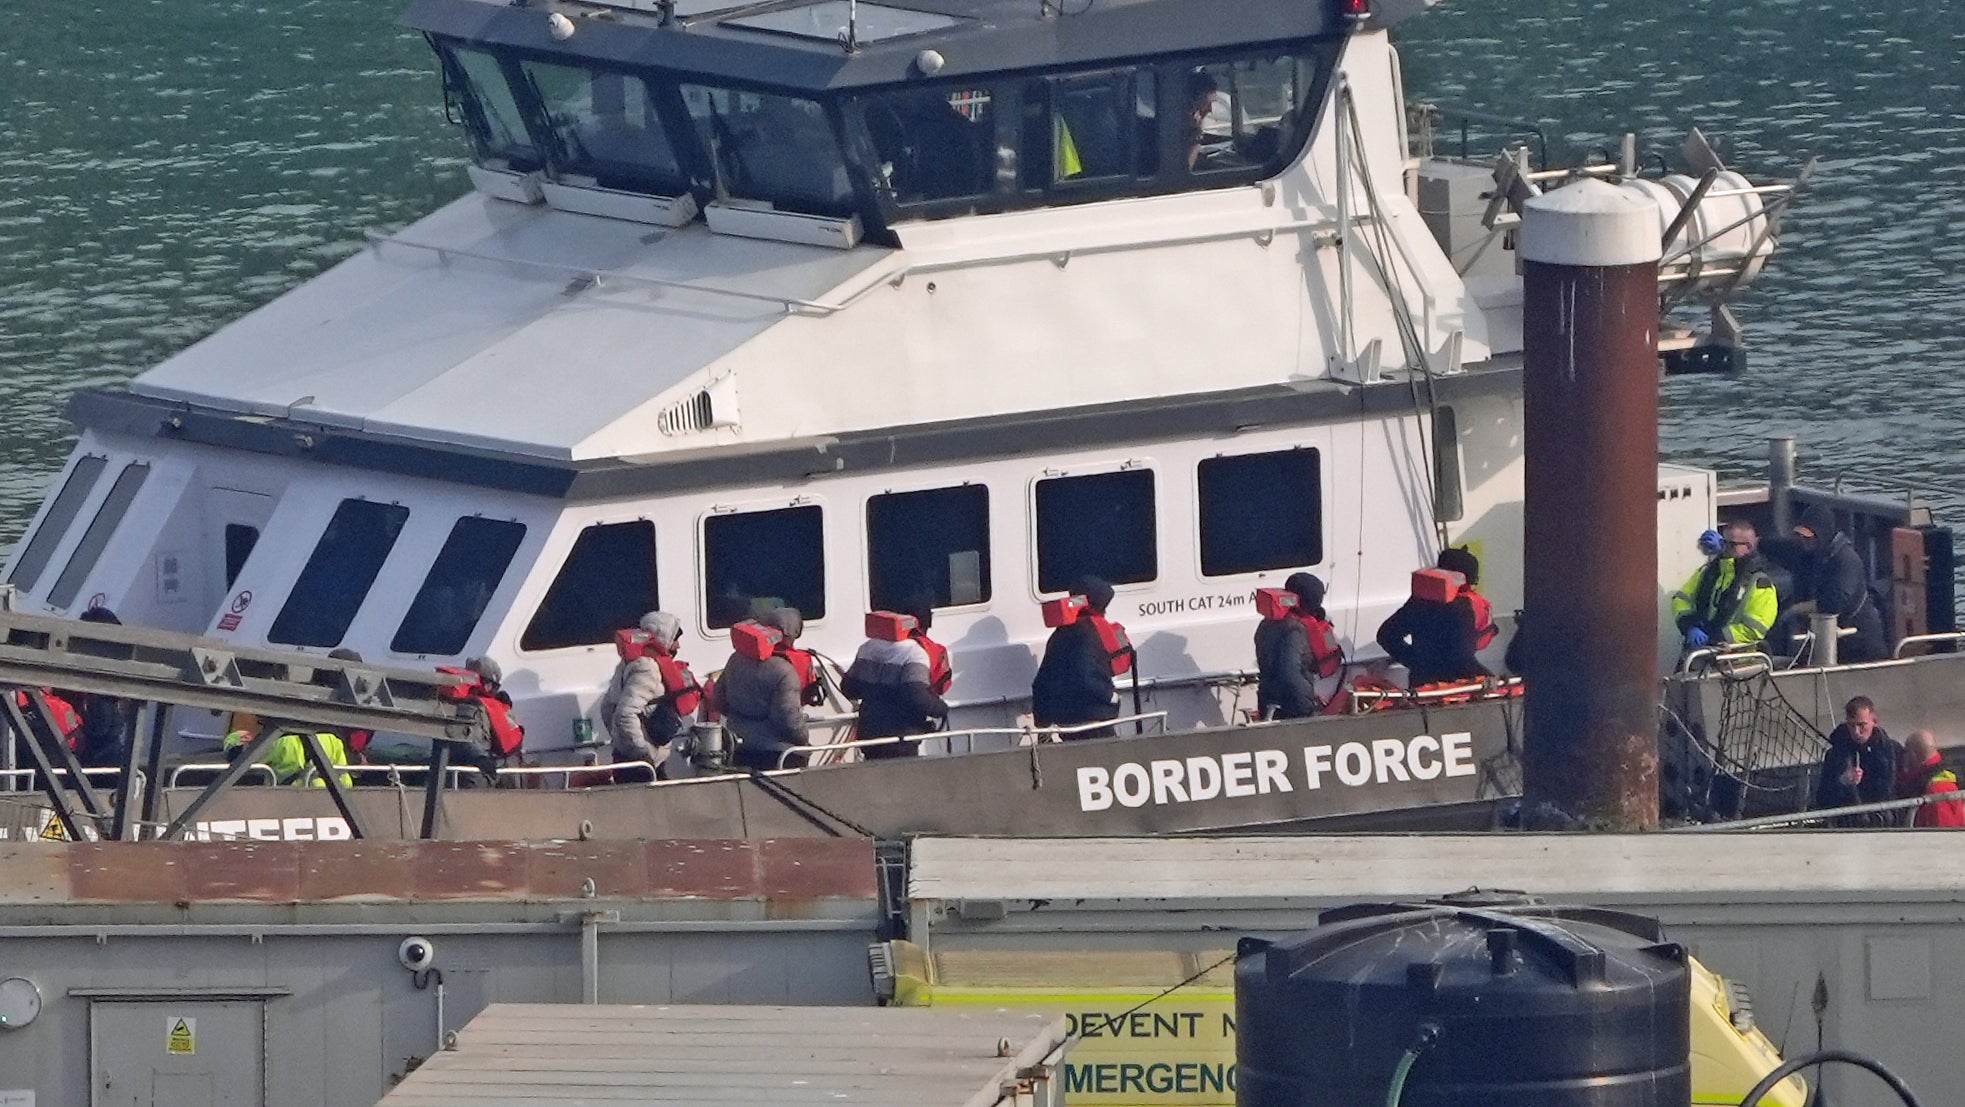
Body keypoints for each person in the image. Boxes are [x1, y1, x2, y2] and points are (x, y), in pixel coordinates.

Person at [1771, 504, 1887, 662]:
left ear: (1821, 534)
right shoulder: (1811, 554)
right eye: (1801, 536)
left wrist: (1795, 609)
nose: (1804, 541)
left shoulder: (1846, 560)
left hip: (1859, 641)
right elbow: (1783, 549)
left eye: (1809, 537)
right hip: (1826, 638)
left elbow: (1833, 603)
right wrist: (1758, 543)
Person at [598, 611, 700, 778]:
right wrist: (640, 752)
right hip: (643, 763)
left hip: (629, 757)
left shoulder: (628, 663)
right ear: (664, 638)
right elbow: (625, 714)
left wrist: (619, 741)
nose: (678, 646)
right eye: (675, 639)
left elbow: (607, 707)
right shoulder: (648, 668)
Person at [709, 607, 811, 770]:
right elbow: (788, 719)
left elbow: (719, 699)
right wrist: (804, 739)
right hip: (776, 753)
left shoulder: (736, 659)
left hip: (739, 746)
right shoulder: (785, 671)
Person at [1375, 548, 1493, 688]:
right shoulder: (1465, 607)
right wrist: (1486, 677)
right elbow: (1462, 656)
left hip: (1422, 682)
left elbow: (1386, 635)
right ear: (1468, 580)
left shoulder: (1420, 601)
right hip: (1457, 687)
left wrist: (1416, 662)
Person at [841, 606, 948, 759]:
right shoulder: (914, 653)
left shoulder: (868, 648)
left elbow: (848, 688)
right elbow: (916, 695)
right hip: (901, 737)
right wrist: (941, 708)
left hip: (869, 734)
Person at [1032, 576, 1132, 739]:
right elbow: (1085, 675)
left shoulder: (1059, 634)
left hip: (1065, 720)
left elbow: (1042, 681)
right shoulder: (1090, 632)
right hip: (1093, 717)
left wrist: (1042, 722)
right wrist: (1110, 697)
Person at [1671, 523, 1779, 653]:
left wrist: (1715, 637)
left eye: (1731, 544)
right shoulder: (1708, 571)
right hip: (1702, 656)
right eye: (1723, 542)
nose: (1724, 547)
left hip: (1737, 663)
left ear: (1748, 547)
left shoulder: (1760, 583)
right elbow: (1681, 598)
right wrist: (1689, 625)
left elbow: (1755, 628)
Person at [1253, 572, 1345, 719]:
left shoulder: (1267, 624)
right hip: (1290, 708)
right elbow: (1289, 673)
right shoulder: (1294, 629)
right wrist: (1306, 707)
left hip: (1268, 700)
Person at [1814, 695, 1903, 827]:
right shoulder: (1835, 755)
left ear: (1875, 721)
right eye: (1851, 726)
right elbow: (1821, 799)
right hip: (1849, 827)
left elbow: (1904, 787)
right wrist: (1841, 782)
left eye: (1862, 725)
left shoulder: (1892, 750)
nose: (1856, 732)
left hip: (1888, 825)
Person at [1896, 730, 1964, 828]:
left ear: (1913, 754)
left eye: (1906, 752)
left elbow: (1941, 833)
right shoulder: (1941, 775)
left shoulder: (1936, 789)